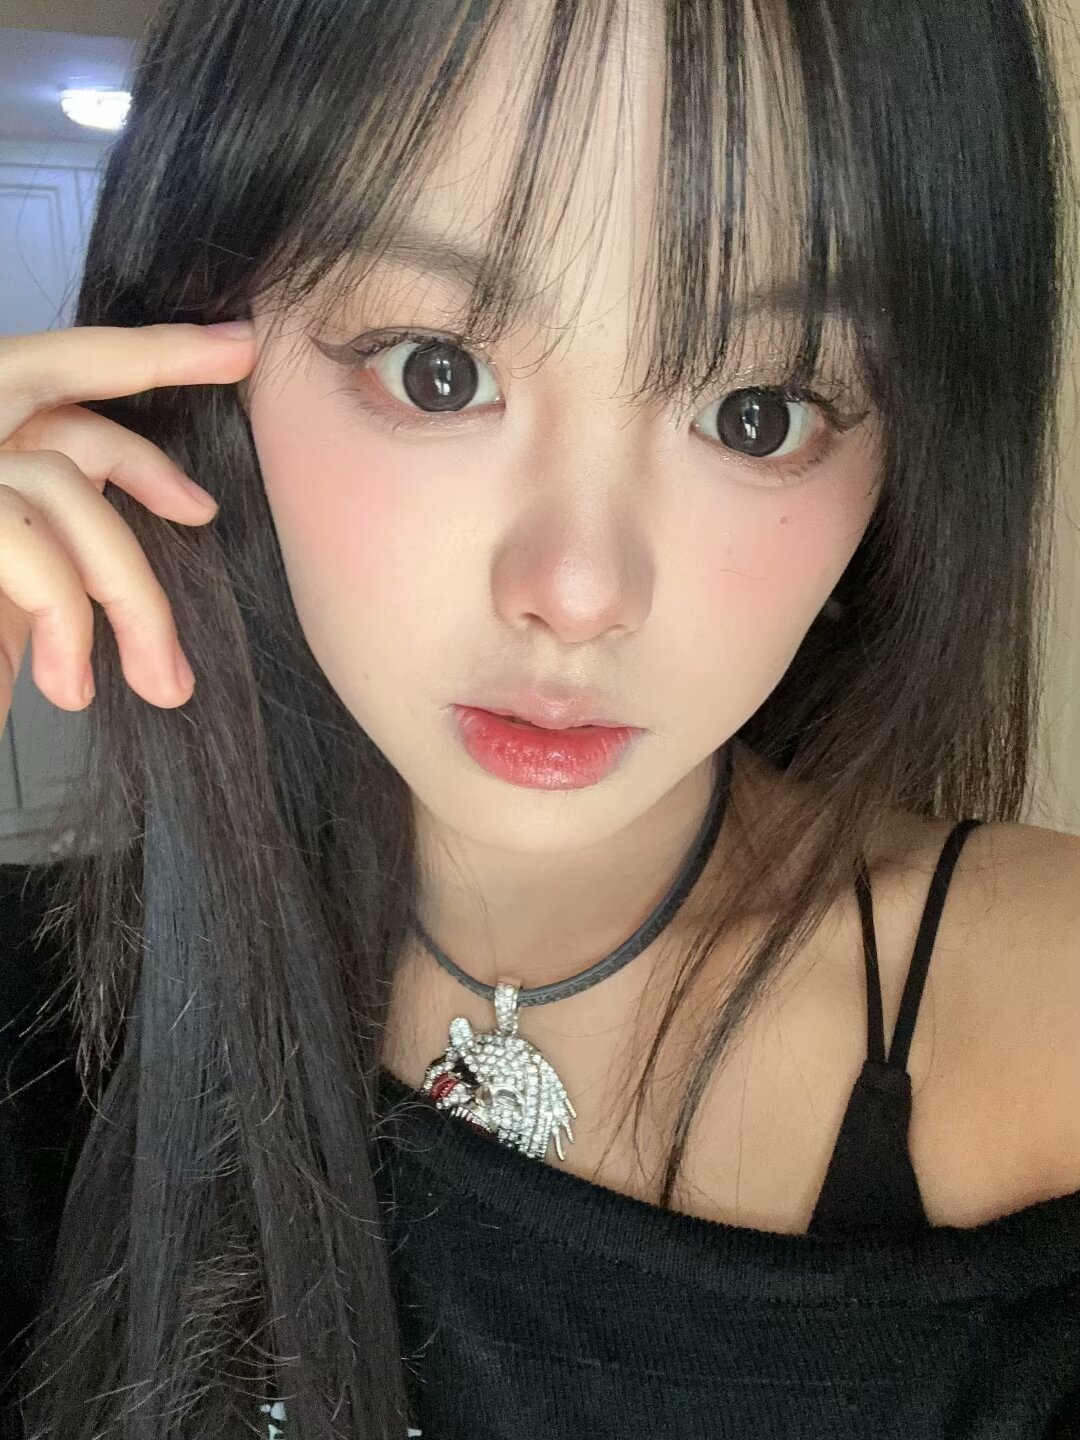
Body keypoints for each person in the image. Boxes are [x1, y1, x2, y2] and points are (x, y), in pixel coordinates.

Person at [0, 0, 1079, 1436]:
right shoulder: (53, 1016)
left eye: (758, 412)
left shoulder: (1043, 1026)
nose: (577, 593)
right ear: (195, 360)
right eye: (436, 369)